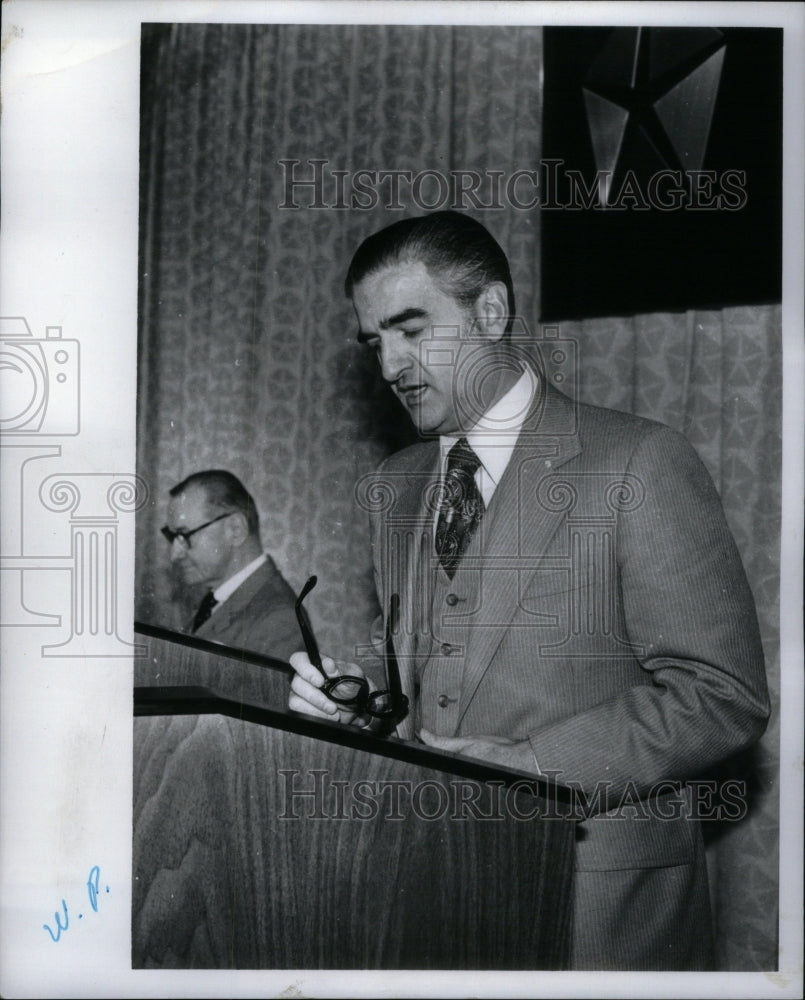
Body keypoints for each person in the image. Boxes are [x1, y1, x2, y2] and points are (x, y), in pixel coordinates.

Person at [287, 211, 770, 970]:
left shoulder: (638, 462)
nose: (389, 364)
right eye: (373, 341)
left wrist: (536, 770)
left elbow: (720, 693)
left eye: (411, 329)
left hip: (597, 910)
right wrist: (362, 701)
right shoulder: (395, 485)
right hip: (436, 894)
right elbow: (435, 675)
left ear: (490, 311)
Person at [163, 469, 299, 662]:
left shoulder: (278, 620)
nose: (174, 554)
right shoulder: (217, 599)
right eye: (172, 537)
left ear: (235, 529)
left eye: (184, 535)